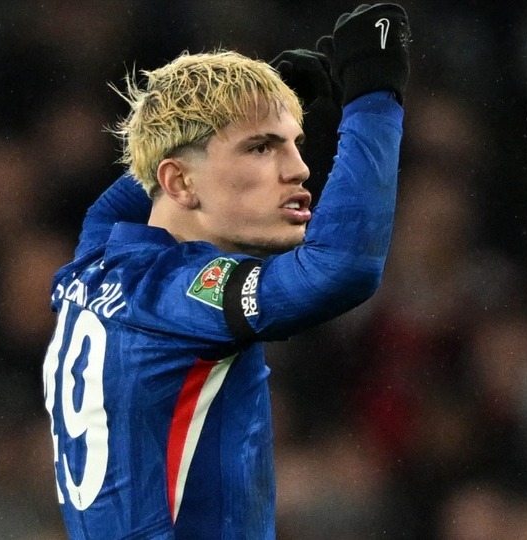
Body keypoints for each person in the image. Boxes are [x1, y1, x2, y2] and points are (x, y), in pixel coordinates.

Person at [40, 4, 410, 539]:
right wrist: (374, 96)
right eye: (261, 148)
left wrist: (256, 101)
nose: (300, 169)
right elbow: (340, 267)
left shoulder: (96, 260)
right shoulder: (173, 296)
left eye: (293, 144)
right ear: (181, 183)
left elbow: (135, 190)